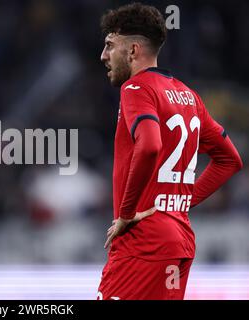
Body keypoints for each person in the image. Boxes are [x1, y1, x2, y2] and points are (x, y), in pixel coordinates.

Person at [98, 3, 243, 300]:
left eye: (110, 45)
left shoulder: (136, 89)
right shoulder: (189, 96)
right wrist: (181, 203)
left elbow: (150, 145)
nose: (103, 55)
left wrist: (126, 214)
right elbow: (230, 160)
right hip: (179, 241)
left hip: (143, 243)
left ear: (133, 50)